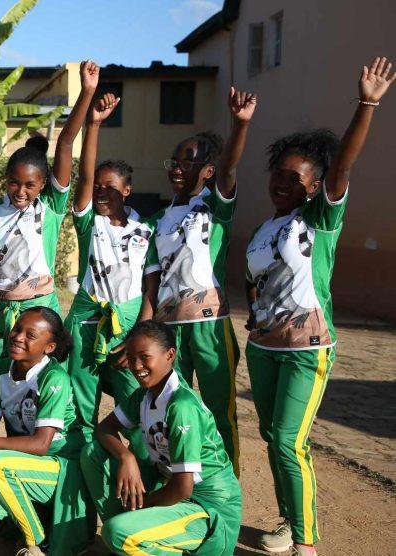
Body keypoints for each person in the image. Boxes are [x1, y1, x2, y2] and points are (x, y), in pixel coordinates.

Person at [246, 58, 393, 556]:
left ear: (315, 185)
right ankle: (290, 520)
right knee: (273, 438)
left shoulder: (321, 219)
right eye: (277, 174)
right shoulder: (267, 228)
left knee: (290, 441)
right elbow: (257, 281)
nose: (282, 183)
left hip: (308, 347)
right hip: (263, 346)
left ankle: (306, 544)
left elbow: (345, 164)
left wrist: (367, 104)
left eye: (295, 177)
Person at [139, 86, 258, 475]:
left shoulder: (214, 206)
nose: (176, 167)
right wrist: (148, 323)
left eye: (187, 161)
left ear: (207, 171)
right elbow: (152, 282)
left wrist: (240, 125)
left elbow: (229, 170)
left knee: (219, 410)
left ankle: (229, 487)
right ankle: (180, 478)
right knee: (174, 407)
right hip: (171, 331)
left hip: (209, 325)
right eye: (174, 161)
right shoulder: (159, 220)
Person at [81, 320, 241, 555]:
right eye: (132, 357)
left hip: (208, 507)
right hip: (173, 490)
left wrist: (143, 504)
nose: (137, 366)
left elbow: (183, 488)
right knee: (92, 453)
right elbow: (104, 429)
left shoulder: (181, 405)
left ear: (170, 355)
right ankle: (131, 539)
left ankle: (132, 536)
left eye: (145, 357)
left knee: (116, 531)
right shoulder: (145, 395)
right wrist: (126, 457)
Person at [0, 60, 98, 365]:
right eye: (14, 183)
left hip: (39, 309)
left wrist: (86, 93)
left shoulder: (49, 207)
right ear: (5, 179)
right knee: (1, 384)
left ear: (42, 185)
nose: (20, 191)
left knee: (43, 380)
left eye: (30, 185)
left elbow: (64, 143)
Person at [64, 90, 155, 446]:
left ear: (128, 190)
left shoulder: (145, 231)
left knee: (135, 406)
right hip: (87, 327)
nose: (102, 193)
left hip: (127, 333)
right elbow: (84, 179)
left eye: (111, 188)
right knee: (80, 406)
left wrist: (137, 335)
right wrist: (94, 126)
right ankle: (81, 473)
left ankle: (139, 475)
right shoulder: (90, 225)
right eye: (98, 187)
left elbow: (150, 289)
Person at [0, 308, 93, 556]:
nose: (18, 337)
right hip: (29, 460)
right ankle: (17, 517)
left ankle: (37, 540)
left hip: (60, 463)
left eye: (30, 335)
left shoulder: (53, 377)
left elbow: (41, 444)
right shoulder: (4, 367)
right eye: (17, 329)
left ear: (49, 347)